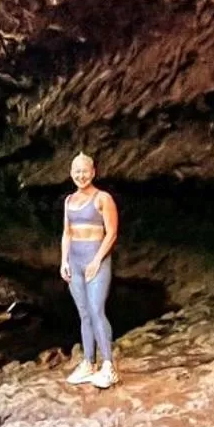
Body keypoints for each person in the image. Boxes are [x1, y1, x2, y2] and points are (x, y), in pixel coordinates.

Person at [60, 151, 118, 388]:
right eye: (77, 171)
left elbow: (112, 232)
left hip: (97, 260)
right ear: (71, 173)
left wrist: (96, 260)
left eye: (85, 171)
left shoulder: (103, 198)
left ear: (93, 172)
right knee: (84, 312)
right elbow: (67, 233)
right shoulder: (69, 201)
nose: (81, 175)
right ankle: (88, 362)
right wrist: (64, 260)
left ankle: (108, 366)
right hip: (75, 260)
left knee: (96, 310)